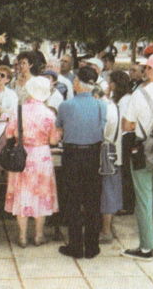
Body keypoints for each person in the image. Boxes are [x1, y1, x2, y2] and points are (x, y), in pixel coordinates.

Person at [121, 53, 153, 261]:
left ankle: (145, 247)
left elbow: (128, 124)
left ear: (150, 70)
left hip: (143, 148)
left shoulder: (140, 94)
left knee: (144, 197)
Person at [56, 66, 107, 259]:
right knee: (93, 200)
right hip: (94, 154)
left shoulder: (66, 105)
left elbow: (59, 127)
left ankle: (76, 246)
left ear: (77, 83)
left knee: (73, 201)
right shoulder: (101, 105)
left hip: (72, 155)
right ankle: (92, 246)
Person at [5, 76, 61, 247]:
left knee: (22, 194)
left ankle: (22, 236)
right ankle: (38, 235)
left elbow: (9, 133)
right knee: (41, 195)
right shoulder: (49, 114)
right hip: (42, 156)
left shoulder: (18, 111)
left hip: (22, 155)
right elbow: (53, 140)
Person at [98, 72, 125, 244]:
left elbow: (103, 132)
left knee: (107, 192)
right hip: (115, 152)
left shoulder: (105, 108)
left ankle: (106, 230)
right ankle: (108, 227)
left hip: (106, 153)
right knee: (112, 190)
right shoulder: (114, 105)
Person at [109, 71, 134, 216]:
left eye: (112, 82)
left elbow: (122, 121)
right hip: (120, 137)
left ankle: (127, 204)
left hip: (125, 137)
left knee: (125, 172)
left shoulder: (126, 100)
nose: (110, 85)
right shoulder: (119, 98)